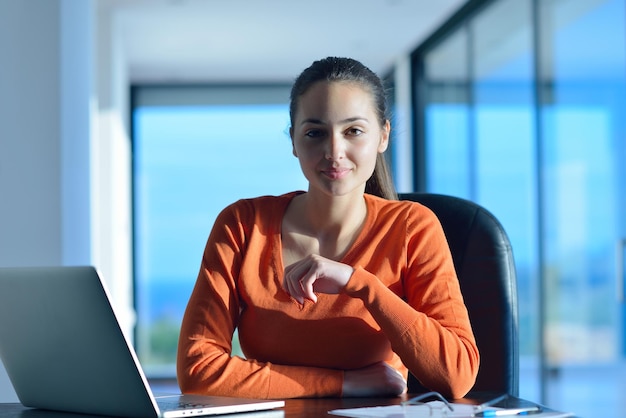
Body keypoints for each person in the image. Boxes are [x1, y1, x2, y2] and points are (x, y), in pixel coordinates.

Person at [177, 57, 479, 399]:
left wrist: (359, 283)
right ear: (294, 141)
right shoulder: (242, 225)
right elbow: (197, 368)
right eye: (315, 133)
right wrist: (345, 384)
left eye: (353, 131)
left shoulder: (413, 227)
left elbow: (456, 376)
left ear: (383, 136)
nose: (334, 151)